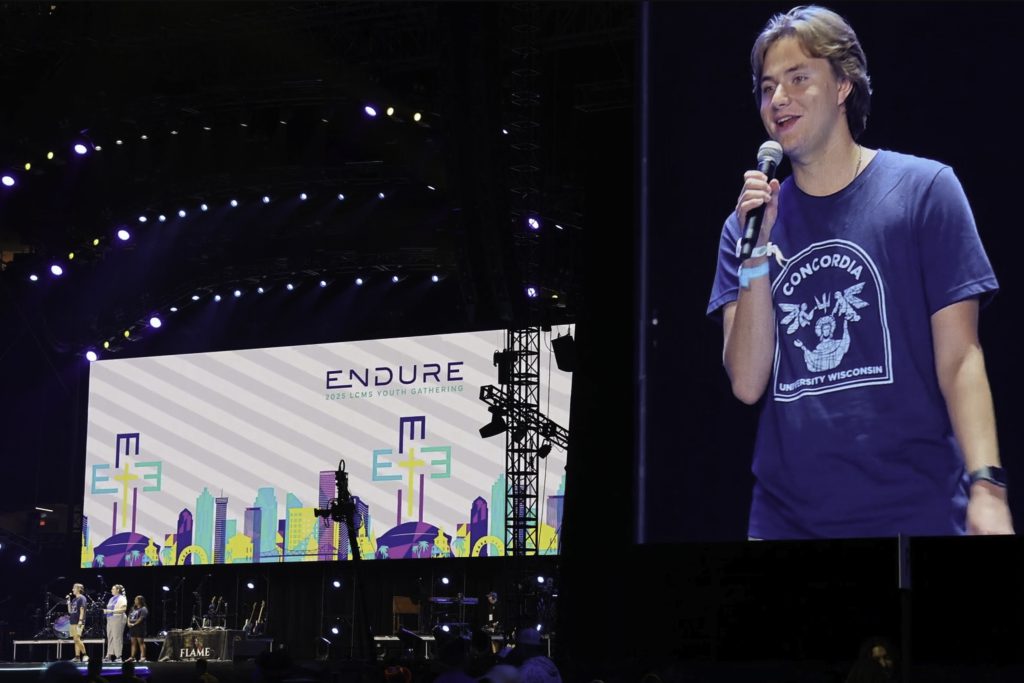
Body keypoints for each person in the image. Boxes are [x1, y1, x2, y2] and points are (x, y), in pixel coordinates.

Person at [707, 5, 1015, 539]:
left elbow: (961, 357)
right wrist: (755, 255)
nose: (778, 100)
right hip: (786, 520)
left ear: (844, 85)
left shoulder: (925, 191)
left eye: (798, 78)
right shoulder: (745, 226)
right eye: (767, 87)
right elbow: (748, 382)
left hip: (915, 511)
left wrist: (987, 488)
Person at [102, 584, 128, 662]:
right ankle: (109, 655)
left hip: (118, 618)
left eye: (113, 589)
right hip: (110, 619)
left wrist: (110, 611)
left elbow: (123, 609)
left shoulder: (122, 598)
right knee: (110, 637)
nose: (111, 590)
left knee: (117, 637)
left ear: (118, 590)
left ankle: (118, 656)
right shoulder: (111, 599)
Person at [67, 583, 89, 663]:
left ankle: (85, 655)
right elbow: (70, 611)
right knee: (75, 640)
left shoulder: (82, 598)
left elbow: (82, 610)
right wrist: (68, 602)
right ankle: (77, 657)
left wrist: (80, 620)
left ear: (79, 589)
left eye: (74, 588)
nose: (72, 589)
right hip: (73, 621)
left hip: (78, 621)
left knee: (77, 638)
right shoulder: (74, 600)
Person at [126, 595, 148, 662]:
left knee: (141, 642)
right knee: (133, 643)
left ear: (140, 601)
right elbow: (129, 616)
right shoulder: (133, 608)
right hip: (132, 628)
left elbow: (141, 618)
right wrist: (128, 623)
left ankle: (143, 657)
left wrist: (134, 624)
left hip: (140, 628)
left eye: (136, 599)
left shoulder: (143, 609)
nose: (134, 601)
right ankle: (132, 657)